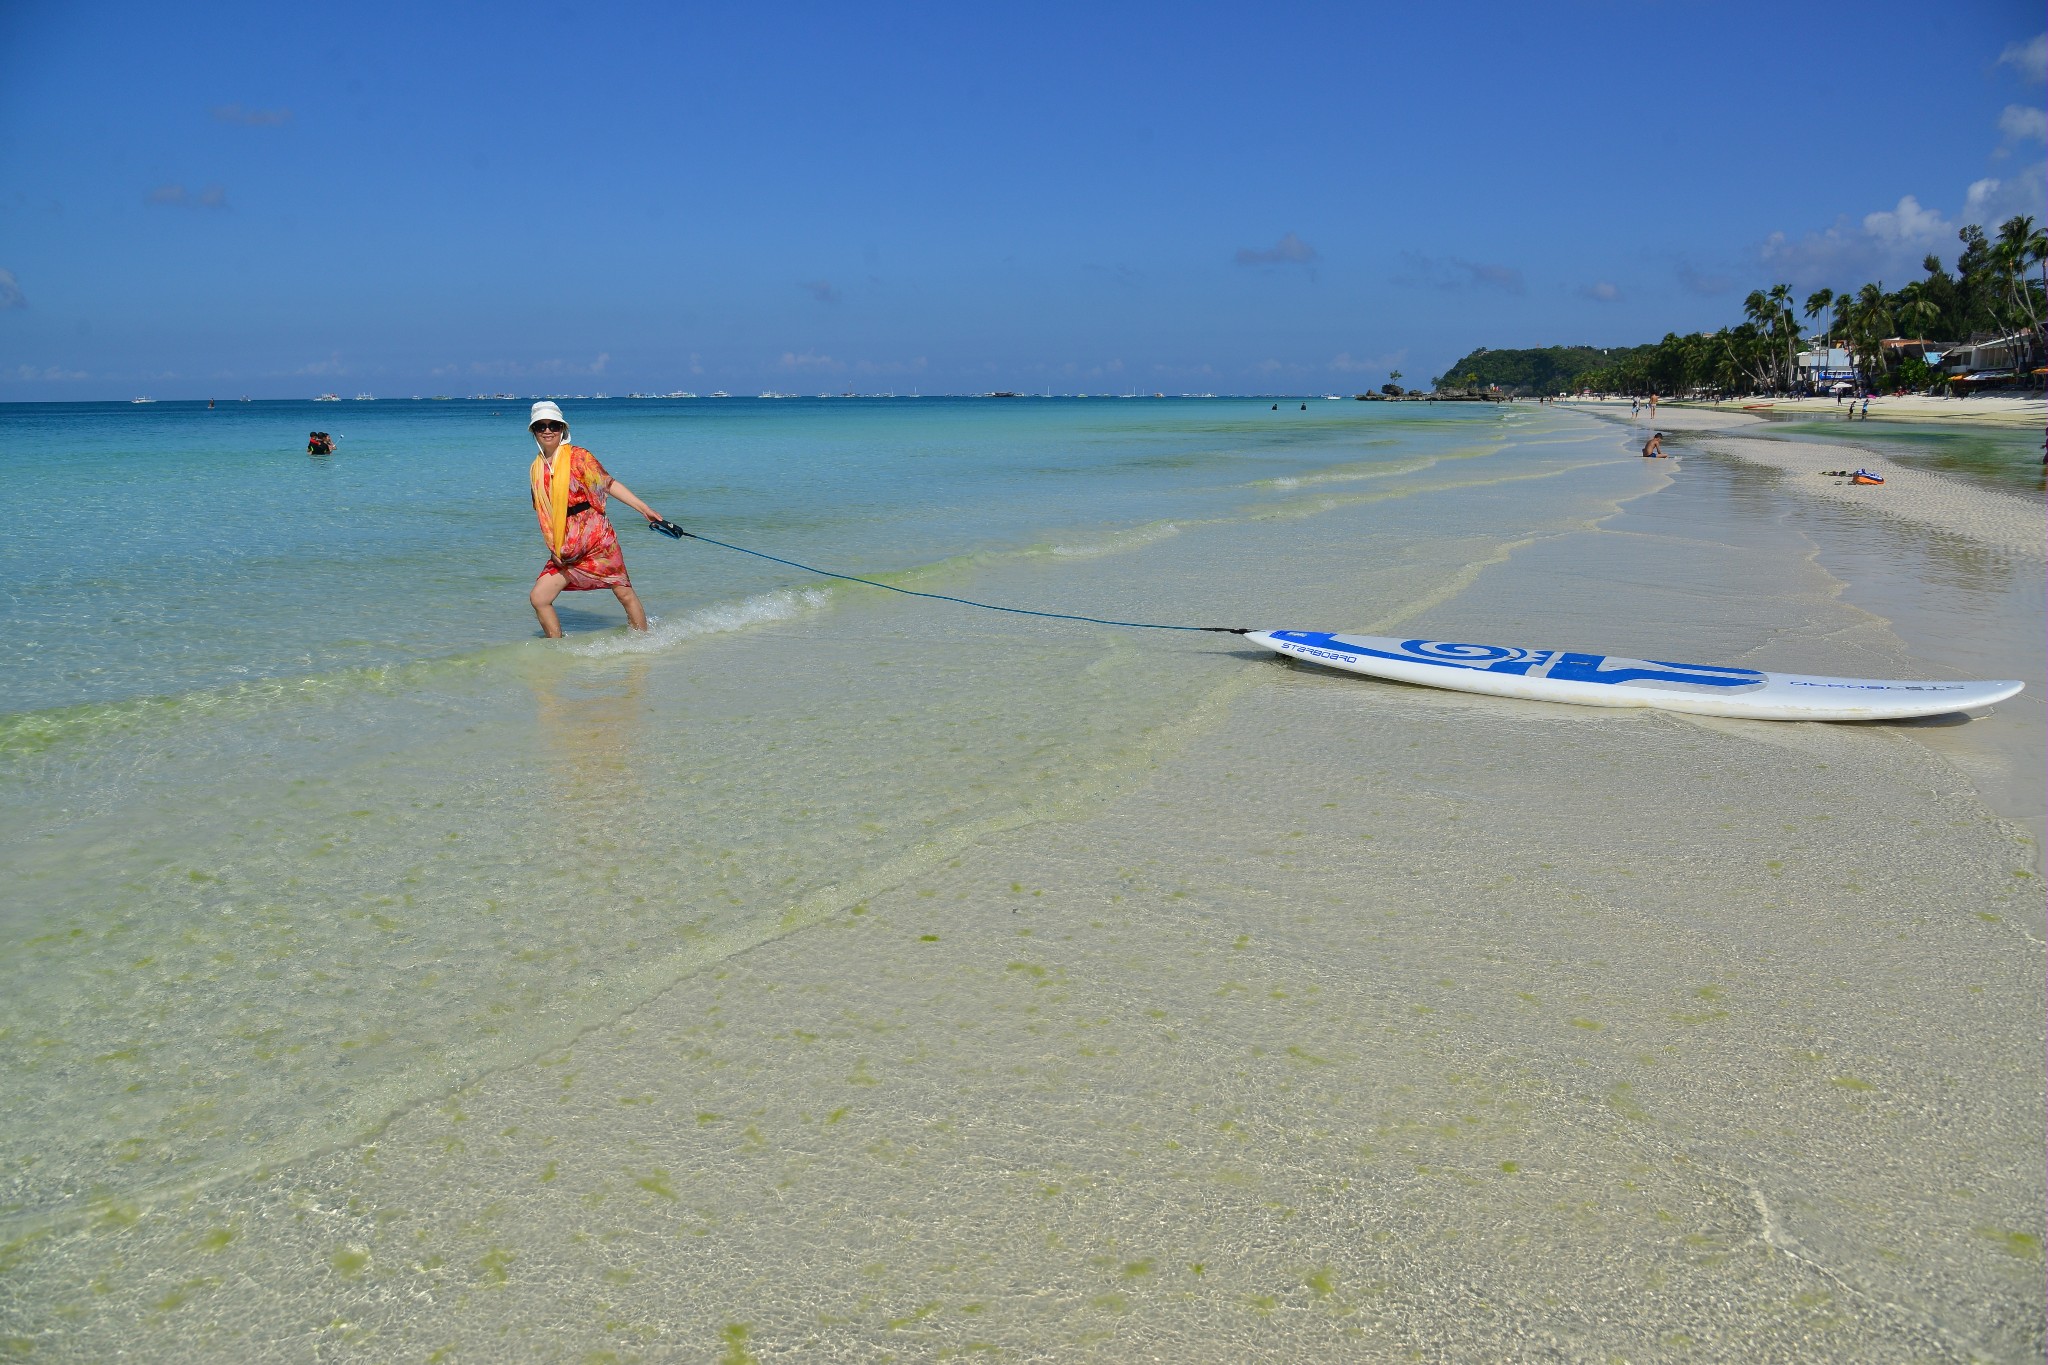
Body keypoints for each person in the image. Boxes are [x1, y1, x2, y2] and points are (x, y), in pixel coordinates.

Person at [525, 401, 663, 638]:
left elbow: (608, 484)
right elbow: (544, 516)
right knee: (539, 597)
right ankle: (557, 651)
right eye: (541, 426)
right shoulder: (536, 469)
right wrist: (553, 547)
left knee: (623, 593)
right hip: (565, 546)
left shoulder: (579, 457)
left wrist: (643, 508)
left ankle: (644, 644)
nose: (548, 431)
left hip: (597, 539)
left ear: (563, 430)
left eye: (553, 425)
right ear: (534, 431)